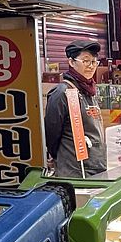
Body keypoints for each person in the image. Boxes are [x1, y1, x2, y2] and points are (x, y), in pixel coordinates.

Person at [44, 40, 107, 176]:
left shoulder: (89, 91)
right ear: (71, 62)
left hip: (95, 168)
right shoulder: (62, 93)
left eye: (94, 62)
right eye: (86, 61)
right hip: (75, 172)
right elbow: (51, 135)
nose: (91, 66)